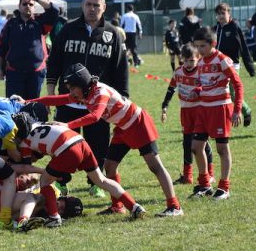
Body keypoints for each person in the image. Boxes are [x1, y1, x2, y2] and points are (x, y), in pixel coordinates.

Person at [30, 63, 183, 217]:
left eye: (72, 88)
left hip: (138, 124)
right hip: (123, 128)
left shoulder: (100, 92)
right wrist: (30, 101)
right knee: (110, 167)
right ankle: (117, 206)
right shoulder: (85, 93)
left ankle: (174, 206)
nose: (70, 92)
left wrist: (67, 125)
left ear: (82, 85)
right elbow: (60, 100)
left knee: (155, 166)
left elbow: (95, 116)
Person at [45, 0, 128, 198]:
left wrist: (124, 96)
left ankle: (96, 183)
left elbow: (120, 68)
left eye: (96, 5)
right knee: (63, 144)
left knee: (98, 145)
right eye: (88, 5)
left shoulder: (112, 34)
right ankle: (61, 182)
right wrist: (51, 91)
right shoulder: (68, 29)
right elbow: (54, 60)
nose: (92, 9)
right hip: (68, 100)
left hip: (97, 104)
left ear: (104, 7)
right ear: (83, 6)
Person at [15, 116, 147, 226]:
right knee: (101, 180)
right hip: (81, 141)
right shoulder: (41, 124)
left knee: (44, 181)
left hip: (67, 149)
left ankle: (54, 217)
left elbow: (27, 167)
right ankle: (134, 206)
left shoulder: (23, 142)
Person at [190, 27, 244, 200]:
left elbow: (238, 84)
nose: (199, 50)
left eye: (202, 46)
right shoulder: (201, 62)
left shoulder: (222, 60)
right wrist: (198, 90)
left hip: (220, 108)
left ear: (212, 44)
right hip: (203, 109)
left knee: (221, 149)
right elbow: (205, 83)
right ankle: (205, 185)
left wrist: (237, 109)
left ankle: (224, 187)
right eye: (196, 46)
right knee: (196, 147)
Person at [161, 44, 214, 185]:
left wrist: (197, 90)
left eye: (192, 60)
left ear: (199, 59)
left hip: (199, 110)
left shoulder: (201, 72)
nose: (189, 64)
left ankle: (210, 173)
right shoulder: (178, 72)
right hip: (185, 111)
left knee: (202, 143)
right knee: (186, 143)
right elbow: (171, 89)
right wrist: (164, 106)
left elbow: (207, 85)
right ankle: (187, 176)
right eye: (186, 60)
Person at [0, 0, 59, 99]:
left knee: (32, 106)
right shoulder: (10, 24)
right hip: (14, 72)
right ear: (19, 7)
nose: (28, 6)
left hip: (36, 72)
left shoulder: (40, 22)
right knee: (13, 106)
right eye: (24, 4)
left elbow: (54, 10)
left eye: (31, 4)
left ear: (35, 7)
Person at [214, 2, 255, 126]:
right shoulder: (216, 28)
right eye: (218, 14)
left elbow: (244, 48)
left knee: (232, 94)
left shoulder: (234, 27)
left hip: (233, 65)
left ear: (229, 13)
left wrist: (250, 67)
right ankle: (220, 118)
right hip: (218, 65)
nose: (221, 16)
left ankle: (246, 110)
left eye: (223, 13)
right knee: (217, 91)